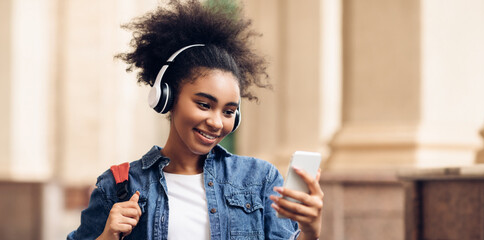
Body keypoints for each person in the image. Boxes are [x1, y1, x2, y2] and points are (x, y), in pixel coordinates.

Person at [67, 0, 323, 239]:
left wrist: (311, 231)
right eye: (204, 104)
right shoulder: (117, 184)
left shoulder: (260, 179)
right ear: (166, 97)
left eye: (228, 111)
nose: (216, 122)